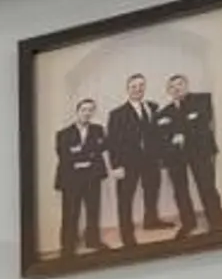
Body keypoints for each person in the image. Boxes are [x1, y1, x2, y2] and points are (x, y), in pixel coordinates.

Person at [103, 72, 170, 246]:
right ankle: (126, 233)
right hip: (128, 163)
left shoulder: (153, 107)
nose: (138, 89)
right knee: (125, 198)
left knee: (152, 192)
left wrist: (161, 157)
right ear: (128, 89)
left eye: (141, 86)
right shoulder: (117, 114)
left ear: (144, 87)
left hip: (151, 161)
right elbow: (112, 142)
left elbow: (158, 134)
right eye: (134, 86)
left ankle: (151, 221)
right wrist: (116, 165)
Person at [164, 71, 222, 237]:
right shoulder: (165, 111)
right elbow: (161, 133)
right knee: (180, 191)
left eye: (179, 84)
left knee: (207, 188)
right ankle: (188, 223)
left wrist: (180, 133)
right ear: (168, 91)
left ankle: (218, 225)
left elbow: (202, 122)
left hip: (200, 151)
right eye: (172, 87)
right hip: (176, 157)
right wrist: (173, 136)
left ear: (186, 85)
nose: (176, 89)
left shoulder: (203, 99)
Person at [50, 97, 109, 260]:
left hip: (92, 178)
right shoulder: (63, 133)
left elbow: (100, 149)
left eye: (90, 110)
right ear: (77, 112)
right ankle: (67, 246)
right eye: (84, 110)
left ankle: (93, 240)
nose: (87, 113)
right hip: (71, 180)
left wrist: (81, 154)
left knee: (93, 211)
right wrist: (86, 157)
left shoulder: (99, 130)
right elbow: (65, 155)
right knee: (70, 213)